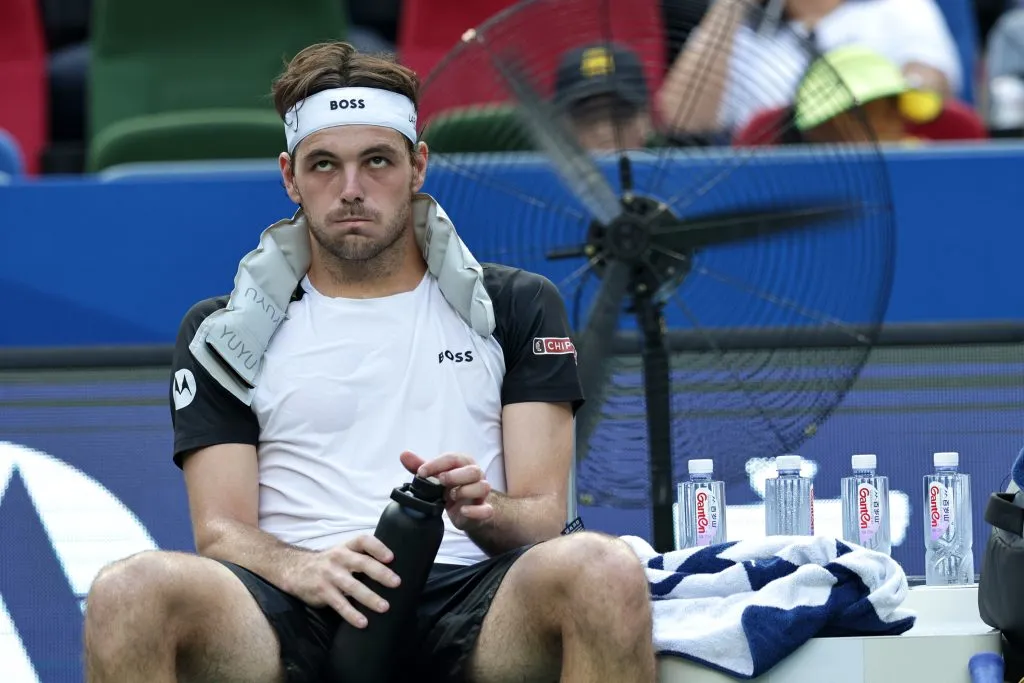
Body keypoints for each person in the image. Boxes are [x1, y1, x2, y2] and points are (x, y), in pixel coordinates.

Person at [80, 41, 656, 683]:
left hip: (473, 591)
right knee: (126, 591)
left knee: (604, 568)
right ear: (289, 177)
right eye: (324, 164)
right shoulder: (223, 331)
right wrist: (304, 567)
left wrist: (485, 507)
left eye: (376, 160)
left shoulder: (515, 304)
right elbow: (220, 531)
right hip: (290, 600)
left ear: (418, 166)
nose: (351, 189)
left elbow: (544, 518)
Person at [657, 0, 963, 137]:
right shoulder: (740, 32)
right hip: (771, 193)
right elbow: (680, 120)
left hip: (884, 175)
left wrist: (873, 97)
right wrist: (730, 5)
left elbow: (931, 87)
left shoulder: (896, 8)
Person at [553, 43, 655, 151]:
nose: (604, 132)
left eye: (619, 114)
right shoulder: (537, 166)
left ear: (645, 121)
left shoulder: (672, 165)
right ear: (565, 128)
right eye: (588, 117)